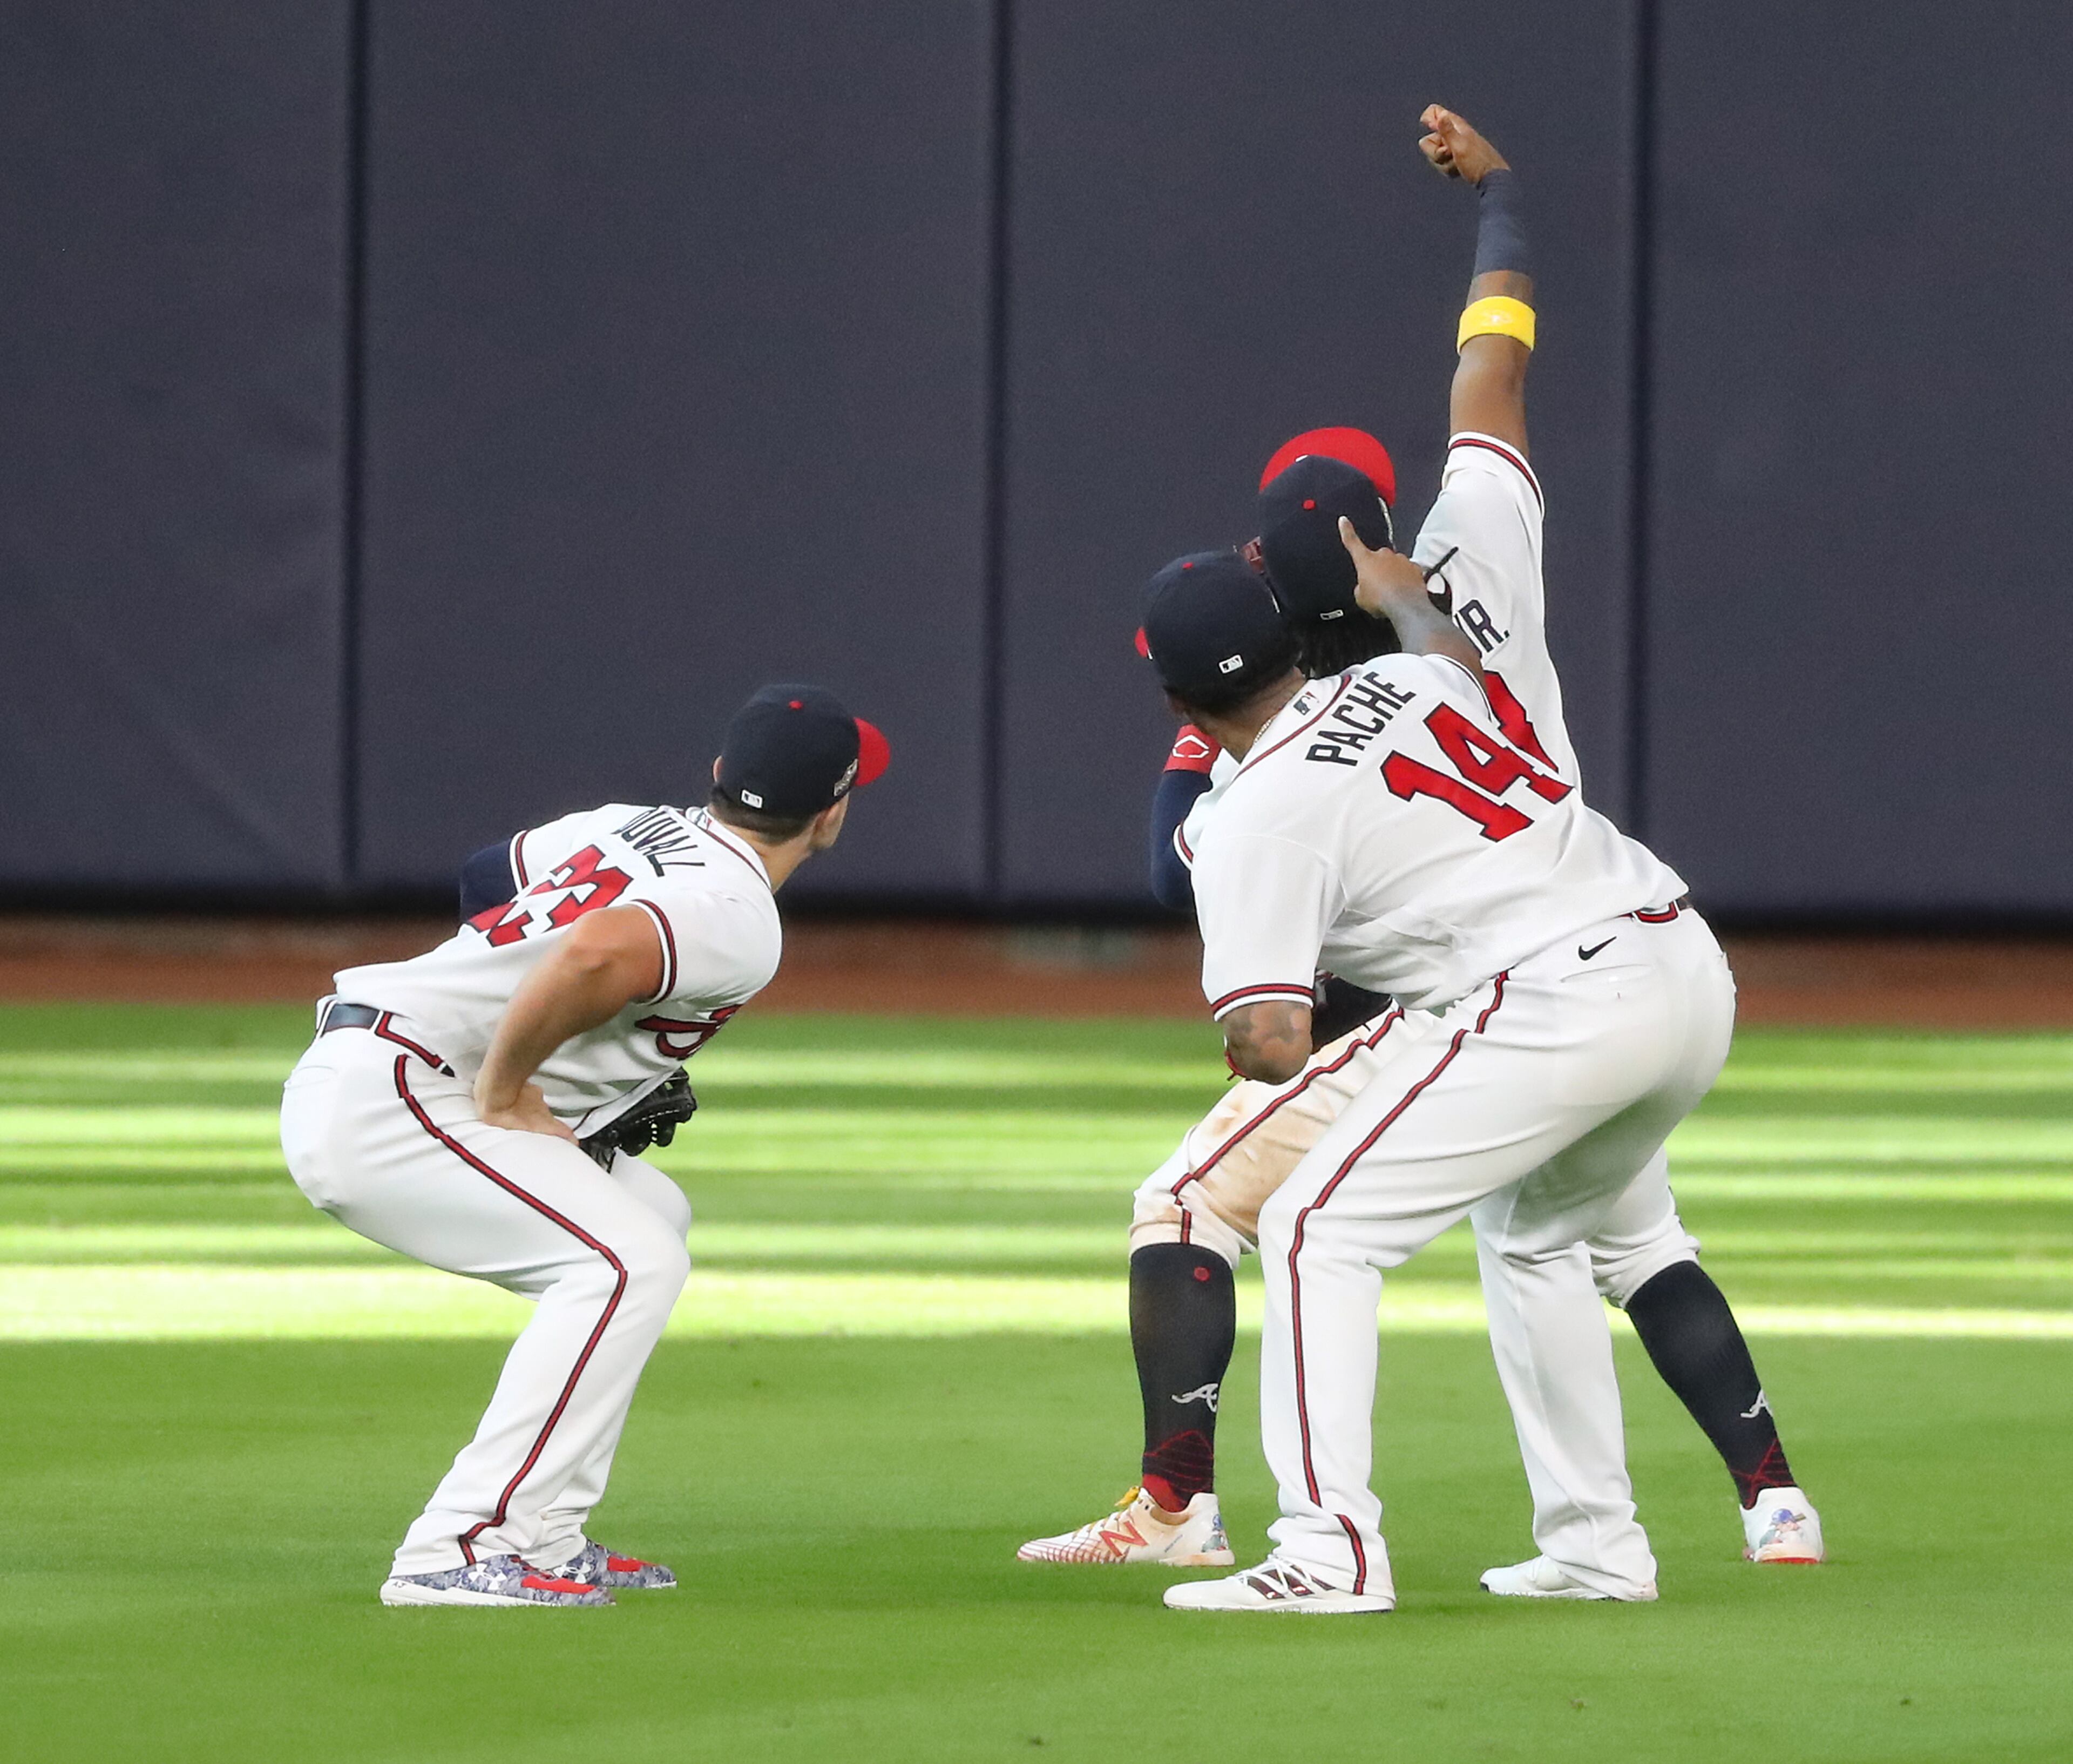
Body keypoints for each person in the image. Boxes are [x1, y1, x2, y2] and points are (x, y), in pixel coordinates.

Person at [1020, 104, 1819, 1587]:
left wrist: (1323, 995)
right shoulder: (1432, 645)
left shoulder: (1280, 772)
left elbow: (1257, 1016)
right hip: (1666, 947)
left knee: (1319, 1217)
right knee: (1553, 1239)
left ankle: (1327, 1547)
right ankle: (1599, 1544)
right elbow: (1493, 364)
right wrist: (1503, 198)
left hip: (1532, 991)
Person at [278, 685, 889, 1606]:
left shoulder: (632, 827)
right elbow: (593, 955)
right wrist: (511, 1081)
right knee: (624, 1265)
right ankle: (460, 1546)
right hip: (395, 1096)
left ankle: (549, 1536)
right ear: (834, 810)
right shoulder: (738, 914)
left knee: (653, 1215)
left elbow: (491, 878)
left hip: (386, 1066)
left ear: (719, 775)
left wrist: (574, 1061)